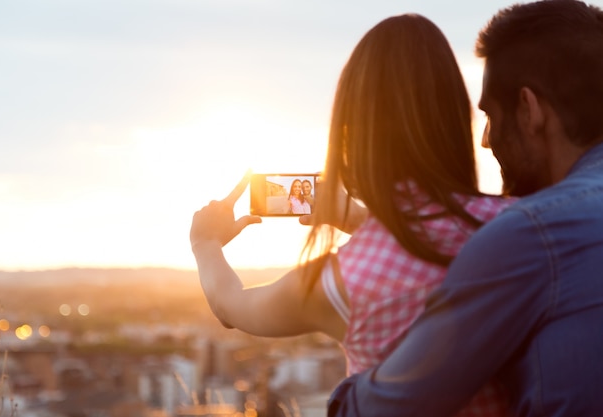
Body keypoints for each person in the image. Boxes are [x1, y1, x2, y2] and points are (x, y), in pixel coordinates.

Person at [190, 14, 514, 416]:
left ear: (352, 131)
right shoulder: (517, 224)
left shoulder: (340, 283)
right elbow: (431, 246)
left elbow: (230, 305)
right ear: (453, 117)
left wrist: (205, 244)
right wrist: (357, 218)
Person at [327, 1, 603, 416]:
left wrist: (341, 398)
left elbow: (388, 404)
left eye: (491, 115)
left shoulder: (530, 233)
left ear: (530, 110)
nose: (486, 140)